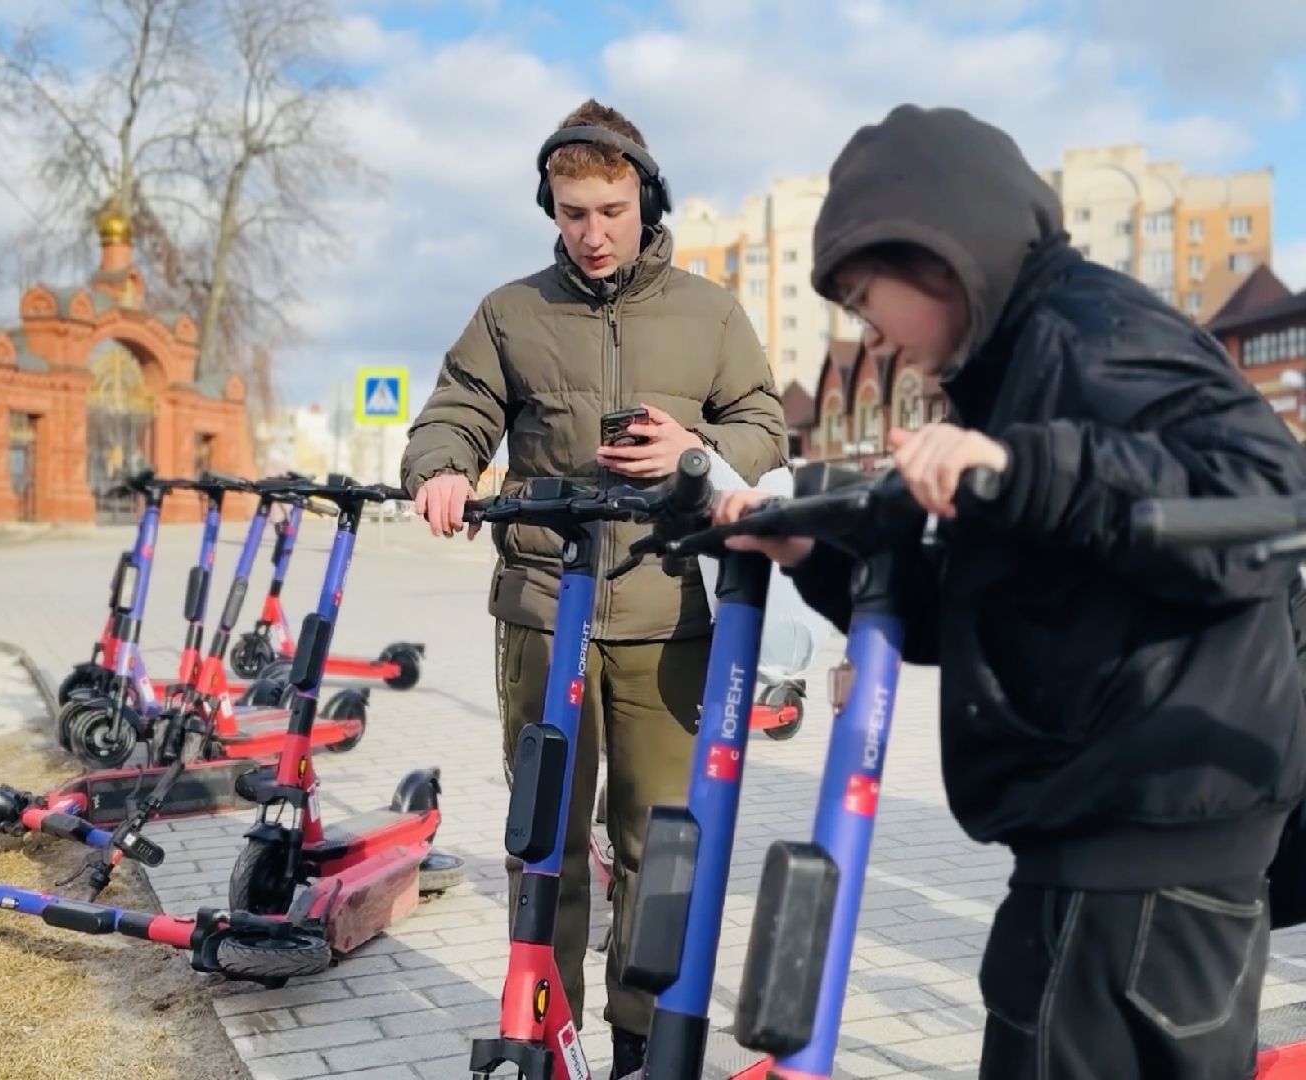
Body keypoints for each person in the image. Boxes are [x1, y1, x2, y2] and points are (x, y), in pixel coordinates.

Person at [714, 103, 1306, 1080]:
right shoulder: (1016, 365)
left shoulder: (1085, 331)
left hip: (1146, 831)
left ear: (940, 253)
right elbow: (975, 614)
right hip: (1108, 826)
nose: (880, 336)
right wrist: (810, 557)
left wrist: (1020, 465)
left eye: (870, 300)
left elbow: (1266, 497)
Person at [400, 99, 786, 1078]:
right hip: (543, 608)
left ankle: (642, 1045)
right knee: (548, 845)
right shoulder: (512, 311)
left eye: (610, 209)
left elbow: (766, 427)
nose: (593, 231)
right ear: (552, 208)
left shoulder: (710, 312)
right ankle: (547, 1035)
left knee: (660, 846)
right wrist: (442, 468)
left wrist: (696, 448)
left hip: (669, 610)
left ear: (644, 202)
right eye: (573, 211)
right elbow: (455, 412)